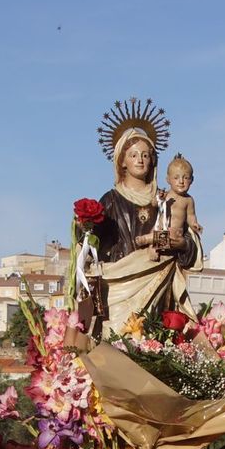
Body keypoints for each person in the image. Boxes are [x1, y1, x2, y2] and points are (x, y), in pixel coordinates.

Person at [85, 106, 201, 335]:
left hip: (157, 280)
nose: (140, 160)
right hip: (118, 282)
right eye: (133, 155)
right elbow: (91, 247)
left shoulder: (167, 199)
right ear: (122, 161)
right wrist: (84, 229)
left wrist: (181, 244)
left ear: (153, 161)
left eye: (145, 155)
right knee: (116, 341)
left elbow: (188, 239)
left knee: (151, 339)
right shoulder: (110, 200)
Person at [160, 154, 202, 248]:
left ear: (192, 180)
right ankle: (147, 241)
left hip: (177, 233)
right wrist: (158, 199)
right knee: (156, 237)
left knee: (179, 242)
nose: (181, 181)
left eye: (186, 178)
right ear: (168, 179)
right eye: (176, 178)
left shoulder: (188, 200)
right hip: (162, 230)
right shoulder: (165, 195)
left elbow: (191, 216)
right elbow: (154, 205)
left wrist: (194, 224)